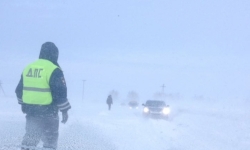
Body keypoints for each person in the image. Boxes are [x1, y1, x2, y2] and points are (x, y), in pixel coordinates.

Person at [15, 42, 71, 150]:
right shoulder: (54, 69)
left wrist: (23, 104)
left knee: (29, 141)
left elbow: (18, 91)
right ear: (55, 54)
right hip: (48, 113)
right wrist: (64, 111)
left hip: (31, 112)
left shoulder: (28, 68)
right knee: (49, 142)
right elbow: (60, 93)